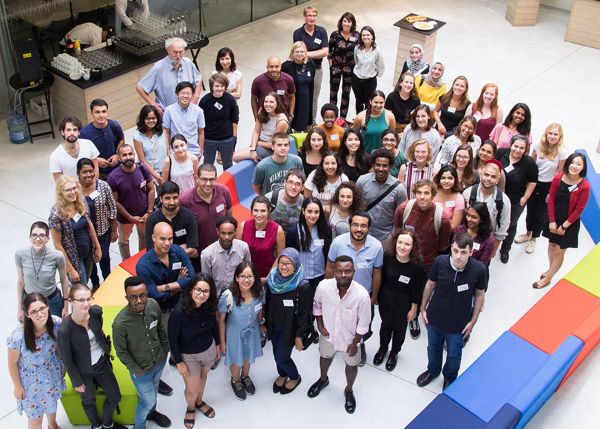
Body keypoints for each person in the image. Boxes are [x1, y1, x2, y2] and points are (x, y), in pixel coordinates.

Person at [416, 233, 487, 390]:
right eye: (455, 251)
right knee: (433, 348)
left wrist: (473, 321)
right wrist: (423, 308)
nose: (458, 256)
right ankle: (433, 371)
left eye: (463, 252)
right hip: (435, 318)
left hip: (459, 324)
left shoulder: (479, 269)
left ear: (470, 252)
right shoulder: (440, 262)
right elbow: (430, 284)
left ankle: (449, 377)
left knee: (454, 354)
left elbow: (480, 295)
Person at [308, 255, 371, 414]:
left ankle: (349, 390)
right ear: (334, 271)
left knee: (351, 365)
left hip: (350, 339)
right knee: (325, 357)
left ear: (354, 272)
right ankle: (323, 379)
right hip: (328, 334)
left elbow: (364, 324)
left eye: (348, 271)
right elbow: (317, 307)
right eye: (339, 271)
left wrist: (355, 342)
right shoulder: (323, 287)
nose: (343, 275)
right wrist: (320, 326)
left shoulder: (362, 296)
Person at [58, 284, 125, 429]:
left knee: (115, 396)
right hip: (83, 371)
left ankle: (107, 424)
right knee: (88, 400)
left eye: (89, 299)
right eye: (81, 300)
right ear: (71, 301)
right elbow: (67, 359)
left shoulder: (95, 312)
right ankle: (96, 425)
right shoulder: (65, 330)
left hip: (101, 362)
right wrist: (76, 381)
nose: (86, 303)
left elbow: (99, 331)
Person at [112, 276, 171, 428]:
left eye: (142, 295)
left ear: (147, 293)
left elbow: (160, 329)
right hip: (141, 371)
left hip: (159, 361)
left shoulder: (153, 305)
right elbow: (121, 351)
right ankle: (140, 426)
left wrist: (165, 350)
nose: (139, 301)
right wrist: (136, 370)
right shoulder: (120, 323)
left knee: (155, 389)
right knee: (147, 401)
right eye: (133, 297)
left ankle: (153, 413)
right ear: (127, 297)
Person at [325, 211, 383, 365]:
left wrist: (374, 298)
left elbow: (377, 273)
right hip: (339, 296)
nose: (359, 228)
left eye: (363, 225)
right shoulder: (337, 242)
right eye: (355, 224)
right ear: (349, 226)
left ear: (369, 228)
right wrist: (327, 291)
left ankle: (359, 344)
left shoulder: (376, 246)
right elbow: (330, 267)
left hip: (363, 298)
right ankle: (338, 343)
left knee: (363, 326)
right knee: (339, 322)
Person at [168, 274, 220, 428]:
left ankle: (199, 402)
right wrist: (178, 362)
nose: (201, 294)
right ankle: (191, 407)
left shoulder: (209, 307)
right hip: (188, 356)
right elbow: (172, 339)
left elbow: (214, 326)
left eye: (205, 291)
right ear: (191, 290)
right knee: (192, 388)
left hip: (208, 350)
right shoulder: (178, 313)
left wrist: (217, 344)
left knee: (203, 377)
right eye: (198, 290)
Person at [7, 293, 64, 429]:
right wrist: (18, 386)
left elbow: (59, 348)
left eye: (42, 308)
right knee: (36, 418)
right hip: (30, 380)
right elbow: (12, 363)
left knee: (52, 403)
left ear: (48, 307)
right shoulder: (18, 337)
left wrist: (63, 368)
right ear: (27, 314)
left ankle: (53, 425)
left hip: (52, 372)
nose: (40, 314)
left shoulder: (56, 323)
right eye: (34, 311)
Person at [536, 153, 590, 289]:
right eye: (573, 162)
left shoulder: (584, 186)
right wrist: (552, 221)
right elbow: (551, 199)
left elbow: (579, 209)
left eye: (579, 164)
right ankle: (550, 269)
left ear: (583, 168)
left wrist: (564, 226)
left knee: (559, 251)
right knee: (551, 246)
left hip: (569, 224)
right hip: (554, 219)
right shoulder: (558, 178)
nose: (574, 166)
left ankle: (548, 277)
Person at [375, 229, 426, 371]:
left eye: (407, 244)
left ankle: (394, 353)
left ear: (413, 246)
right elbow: (381, 278)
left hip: (405, 301)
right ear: (395, 242)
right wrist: (377, 297)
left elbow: (417, 289)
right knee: (385, 326)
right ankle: (383, 348)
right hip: (386, 298)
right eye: (400, 242)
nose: (402, 247)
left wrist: (414, 308)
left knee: (399, 329)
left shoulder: (417, 266)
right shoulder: (388, 257)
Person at [515, 123, 568, 254]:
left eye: (555, 134)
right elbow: (530, 164)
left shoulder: (562, 152)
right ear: (546, 134)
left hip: (548, 185)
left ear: (560, 136)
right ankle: (528, 233)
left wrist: (552, 192)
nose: (552, 136)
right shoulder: (538, 146)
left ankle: (534, 238)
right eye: (550, 133)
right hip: (534, 183)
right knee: (530, 211)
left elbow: (560, 173)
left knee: (540, 215)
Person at [265, 248, 312, 394]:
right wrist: (264, 324)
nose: (284, 267)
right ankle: (283, 374)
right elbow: (267, 304)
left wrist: (299, 336)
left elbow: (305, 314)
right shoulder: (272, 280)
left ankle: (294, 376)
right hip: (273, 324)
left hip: (290, 328)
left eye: (288, 263)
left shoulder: (302, 285)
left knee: (282, 356)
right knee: (275, 353)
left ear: (296, 265)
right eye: (281, 263)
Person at [218, 262, 265, 400]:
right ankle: (236, 380)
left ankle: (245, 376)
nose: (246, 280)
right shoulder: (228, 296)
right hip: (234, 331)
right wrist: (222, 342)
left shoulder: (259, 292)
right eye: (243, 276)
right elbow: (221, 320)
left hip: (253, 329)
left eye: (250, 276)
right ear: (237, 278)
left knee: (248, 355)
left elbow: (260, 309)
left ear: (255, 278)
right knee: (236, 357)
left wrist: (262, 324)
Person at [49, 176, 101, 287]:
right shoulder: (56, 214)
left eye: (74, 188)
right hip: (74, 259)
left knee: (84, 282)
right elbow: (57, 245)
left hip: (88, 253)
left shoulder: (81, 202)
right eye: (68, 190)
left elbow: (89, 224)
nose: (73, 192)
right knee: (80, 289)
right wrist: (70, 269)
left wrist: (97, 247)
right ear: (60, 192)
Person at [495, 135, 538, 263]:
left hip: (515, 200)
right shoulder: (501, 153)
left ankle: (505, 250)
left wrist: (525, 197)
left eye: (522, 148)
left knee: (510, 225)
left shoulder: (529, 163)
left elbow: (532, 181)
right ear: (511, 145)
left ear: (525, 149)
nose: (518, 150)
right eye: (516, 146)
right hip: (496, 195)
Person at [108, 144, 155, 260]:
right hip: (124, 218)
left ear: (134, 155)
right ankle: (126, 262)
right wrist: (129, 217)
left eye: (130, 154)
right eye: (124, 155)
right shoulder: (113, 177)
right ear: (118, 157)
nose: (128, 157)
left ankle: (143, 260)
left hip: (144, 215)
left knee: (144, 237)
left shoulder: (143, 169)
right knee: (124, 242)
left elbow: (151, 189)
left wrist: (149, 211)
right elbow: (115, 202)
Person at [394, 179, 452, 272]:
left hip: (427, 266)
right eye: (419, 192)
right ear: (414, 193)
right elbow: (397, 234)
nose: (422, 197)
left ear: (432, 195)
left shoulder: (442, 218)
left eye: (426, 193)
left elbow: (442, 247)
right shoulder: (403, 209)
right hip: (404, 261)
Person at [77, 158, 118, 290]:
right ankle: (95, 283)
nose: (88, 174)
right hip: (84, 235)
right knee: (90, 260)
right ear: (78, 173)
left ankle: (108, 282)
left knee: (104, 257)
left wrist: (114, 230)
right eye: (84, 172)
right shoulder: (75, 190)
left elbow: (112, 208)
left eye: (91, 171)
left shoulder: (103, 186)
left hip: (103, 231)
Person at [136, 222, 195, 312]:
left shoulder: (178, 251)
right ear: (153, 238)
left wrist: (163, 287)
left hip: (182, 304)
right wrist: (179, 285)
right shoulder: (143, 266)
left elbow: (191, 278)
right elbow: (155, 295)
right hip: (159, 310)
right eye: (162, 239)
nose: (167, 243)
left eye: (170, 239)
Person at [16, 222, 68, 320]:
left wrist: (66, 306)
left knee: (57, 329)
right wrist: (20, 308)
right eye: (34, 235)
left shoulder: (57, 256)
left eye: (42, 235)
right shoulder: (20, 254)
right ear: (30, 237)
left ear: (47, 238)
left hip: (52, 300)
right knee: (32, 331)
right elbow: (20, 281)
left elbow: (64, 281)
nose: (38, 239)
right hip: (29, 301)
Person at [137, 37, 202, 113]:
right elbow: (140, 88)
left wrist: (196, 97)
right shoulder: (158, 68)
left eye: (181, 52)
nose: (178, 55)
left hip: (189, 110)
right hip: (169, 114)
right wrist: (154, 105)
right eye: (175, 52)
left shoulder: (188, 63)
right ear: (168, 51)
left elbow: (198, 79)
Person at [181, 163, 234, 255]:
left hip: (222, 250)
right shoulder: (185, 201)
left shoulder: (224, 191)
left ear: (216, 178)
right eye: (204, 179)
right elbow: (182, 230)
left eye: (211, 179)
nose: (208, 184)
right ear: (197, 178)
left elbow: (230, 219)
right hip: (198, 254)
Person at [463, 160, 512, 257]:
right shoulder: (468, 193)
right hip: (467, 237)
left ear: (498, 179)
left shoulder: (504, 201)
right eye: (486, 175)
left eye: (493, 176)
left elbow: (503, 227)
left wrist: (494, 250)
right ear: (481, 174)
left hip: (487, 240)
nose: (488, 179)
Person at [357, 148, 408, 240]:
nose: (381, 169)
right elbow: (356, 207)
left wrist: (392, 237)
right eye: (378, 165)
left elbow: (401, 215)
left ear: (390, 167)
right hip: (363, 233)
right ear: (373, 165)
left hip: (386, 237)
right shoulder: (362, 181)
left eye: (384, 166)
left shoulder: (399, 188)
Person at [285, 197, 333, 291]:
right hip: (300, 279)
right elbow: (290, 256)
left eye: (316, 212)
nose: (313, 215)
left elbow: (328, 253)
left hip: (320, 277)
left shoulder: (326, 230)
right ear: (303, 211)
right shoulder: (293, 231)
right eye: (309, 211)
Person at [145, 181, 199, 260]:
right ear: (160, 199)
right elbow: (151, 252)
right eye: (167, 198)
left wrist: (163, 250)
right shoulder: (152, 220)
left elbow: (193, 251)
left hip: (186, 263)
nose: (172, 202)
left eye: (175, 197)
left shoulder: (189, 216)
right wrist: (181, 248)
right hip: (161, 266)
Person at [237, 196, 285, 282]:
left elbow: (280, 256)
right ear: (251, 210)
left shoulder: (278, 230)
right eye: (256, 210)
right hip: (246, 276)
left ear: (269, 211)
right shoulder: (243, 226)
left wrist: (268, 278)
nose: (259, 214)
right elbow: (237, 253)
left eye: (263, 211)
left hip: (267, 275)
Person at [293, 6, 329, 121]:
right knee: (301, 95)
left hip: (317, 70)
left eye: (314, 15)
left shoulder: (321, 31)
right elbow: (297, 52)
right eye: (309, 15)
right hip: (301, 70)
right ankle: (299, 120)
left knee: (314, 97)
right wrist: (316, 52)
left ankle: (311, 121)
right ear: (304, 17)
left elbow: (325, 52)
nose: (312, 18)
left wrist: (306, 53)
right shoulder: (298, 33)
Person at [201, 216, 251, 295]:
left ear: (235, 231)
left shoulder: (243, 247)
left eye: (230, 233)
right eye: (223, 233)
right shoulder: (207, 254)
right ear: (217, 231)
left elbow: (248, 272)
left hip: (239, 294)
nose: (226, 237)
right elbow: (206, 280)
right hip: (216, 297)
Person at [233, 92, 290, 162]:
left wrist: (259, 143)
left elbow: (275, 144)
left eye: (271, 102)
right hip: (259, 143)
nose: (268, 104)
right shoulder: (262, 111)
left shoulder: (281, 121)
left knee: (235, 157)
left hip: (271, 149)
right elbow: (256, 131)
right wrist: (253, 148)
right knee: (237, 158)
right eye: (266, 102)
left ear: (277, 103)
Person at [200, 73, 239, 171]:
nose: (220, 88)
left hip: (227, 139)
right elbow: (200, 122)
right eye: (217, 86)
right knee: (208, 165)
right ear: (212, 87)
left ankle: (227, 186)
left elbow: (235, 119)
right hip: (209, 139)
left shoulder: (230, 99)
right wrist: (202, 139)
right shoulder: (205, 101)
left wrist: (234, 137)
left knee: (228, 166)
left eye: (222, 86)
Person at [79, 99, 125, 179]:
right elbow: (80, 153)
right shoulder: (84, 133)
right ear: (91, 113)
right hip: (97, 173)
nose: (101, 115)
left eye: (104, 111)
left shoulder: (114, 125)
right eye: (97, 112)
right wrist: (95, 160)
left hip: (117, 170)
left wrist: (117, 154)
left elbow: (121, 139)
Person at [328, 12, 359, 123]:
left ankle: (342, 118)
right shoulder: (335, 35)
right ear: (341, 22)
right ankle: (332, 116)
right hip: (335, 68)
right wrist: (331, 66)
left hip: (349, 69)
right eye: (344, 21)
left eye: (349, 21)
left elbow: (359, 52)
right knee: (333, 92)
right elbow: (329, 52)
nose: (346, 23)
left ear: (352, 23)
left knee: (346, 93)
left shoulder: (357, 36)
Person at [163, 81, 206, 158]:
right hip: (176, 151)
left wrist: (200, 150)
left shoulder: (198, 111)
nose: (185, 96)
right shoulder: (169, 110)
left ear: (192, 95)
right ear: (177, 94)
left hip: (193, 151)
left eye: (188, 93)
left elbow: (201, 132)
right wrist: (168, 151)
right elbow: (166, 132)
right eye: (182, 93)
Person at [49, 116, 99, 181]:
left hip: (91, 188)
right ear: (62, 132)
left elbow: (96, 172)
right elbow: (60, 183)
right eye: (68, 130)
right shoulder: (55, 156)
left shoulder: (89, 144)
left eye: (75, 130)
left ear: (79, 132)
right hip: (72, 190)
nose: (72, 133)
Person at [282, 41, 316, 132]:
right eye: (297, 52)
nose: (299, 54)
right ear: (292, 52)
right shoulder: (286, 66)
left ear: (305, 53)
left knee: (305, 124)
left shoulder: (311, 64)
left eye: (302, 52)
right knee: (293, 124)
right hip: (293, 101)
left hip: (306, 101)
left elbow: (311, 83)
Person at [352, 26, 385, 114]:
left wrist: (374, 74)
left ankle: (366, 121)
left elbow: (380, 65)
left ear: (372, 37)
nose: (365, 37)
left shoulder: (377, 50)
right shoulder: (357, 47)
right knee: (358, 101)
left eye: (368, 35)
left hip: (370, 81)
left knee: (368, 102)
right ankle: (358, 120)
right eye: (363, 35)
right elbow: (356, 61)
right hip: (357, 79)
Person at [133, 105, 167, 185]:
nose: (151, 121)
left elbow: (167, 151)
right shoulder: (138, 136)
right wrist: (158, 177)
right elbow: (143, 161)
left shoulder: (162, 130)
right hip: (150, 173)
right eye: (148, 118)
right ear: (143, 119)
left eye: (153, 118)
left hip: (165, 170)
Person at [455, 202, 495, 268]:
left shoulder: (489, 240)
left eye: (473, 217)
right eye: (468, 215)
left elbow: (482, 264)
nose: (468, 219)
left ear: (482, 219)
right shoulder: (460, 230)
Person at [433, 165, 465, 231]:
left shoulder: (459, 198)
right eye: (443, 178)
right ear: (439, 179)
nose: (446, 181)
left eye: (450, 178)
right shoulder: (432, 194)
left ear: (455, 180)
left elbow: (453, 227)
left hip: (447, 236)